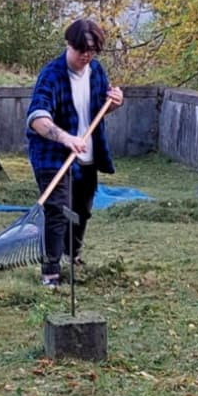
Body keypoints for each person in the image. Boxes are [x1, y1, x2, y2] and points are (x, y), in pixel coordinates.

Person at [26, 19, 124, 288]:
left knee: (82, 210)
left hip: (88, 154)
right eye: (82, 50)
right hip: (51, 154)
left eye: (91, 52)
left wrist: (115, 102)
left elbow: (101, 107)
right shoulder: (52, 75)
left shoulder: (96, 71)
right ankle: (51, 271)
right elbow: (36, 117)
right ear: (69, 44)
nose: (86, 57)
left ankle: (72, 254)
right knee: (57, 210)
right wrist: (66, 138)